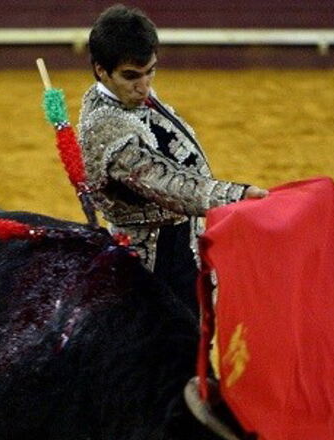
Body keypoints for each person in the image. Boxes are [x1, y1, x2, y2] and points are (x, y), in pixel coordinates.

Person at [78, 4, 269, 314]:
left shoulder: (125, 97)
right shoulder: (106, 127)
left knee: (193, 342)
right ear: (101, 70)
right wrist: (236, 195)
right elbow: (167, 185)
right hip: (151, 263)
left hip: (180, 245)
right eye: (131, 76)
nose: (144, 86)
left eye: (150, 71)